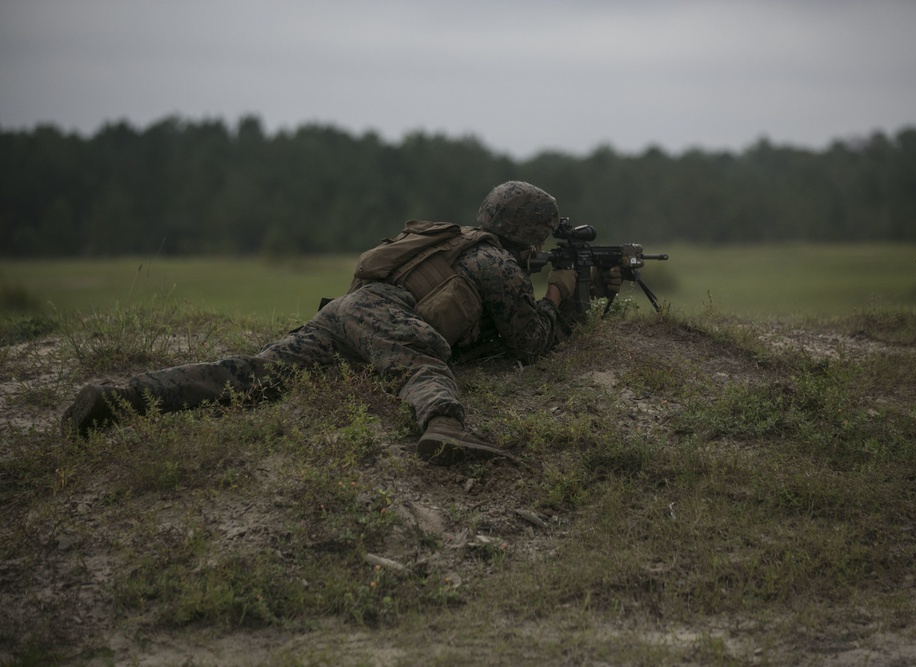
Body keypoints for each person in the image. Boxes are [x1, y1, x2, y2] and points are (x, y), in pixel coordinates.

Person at [62, 181, 620, 465]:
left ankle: (119, 398)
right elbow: (532, 344)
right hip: (384, 320)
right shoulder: (496, 262)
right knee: (421, 362)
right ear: (529, 231)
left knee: (253, 374)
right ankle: (444, 425)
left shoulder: (458, 243)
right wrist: (560, 294)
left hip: (345, 313)